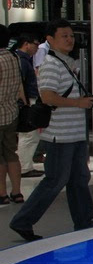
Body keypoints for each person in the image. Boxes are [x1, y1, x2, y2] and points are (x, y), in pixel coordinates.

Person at [10, 19, 93, 242]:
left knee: (79, 178)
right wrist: (78, 103)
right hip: (60, 135)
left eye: (71, 36)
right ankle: (22, 221)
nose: (70, 40)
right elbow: (48, 96)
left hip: (75, 134)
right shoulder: (51, 64)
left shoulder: (65, 62)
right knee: (55, 180)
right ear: (50, 39)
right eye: (64, 36)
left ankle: (84, 220)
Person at [0, 25, 26, 206]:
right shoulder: (14, 57)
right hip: (12, 111)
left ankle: (2, 193)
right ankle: (17, 192)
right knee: (11, 153)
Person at [13, 33, 41, 179]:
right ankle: (24, 167)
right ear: (26, 44)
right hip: (28, 101)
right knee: (29, 135)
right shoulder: (22, 60)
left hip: (28, 100)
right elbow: (19, 83)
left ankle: (25, 166)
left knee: (29, 135)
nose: (37, 48)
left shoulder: (22, 59)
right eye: (36, 44)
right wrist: (25, 103)